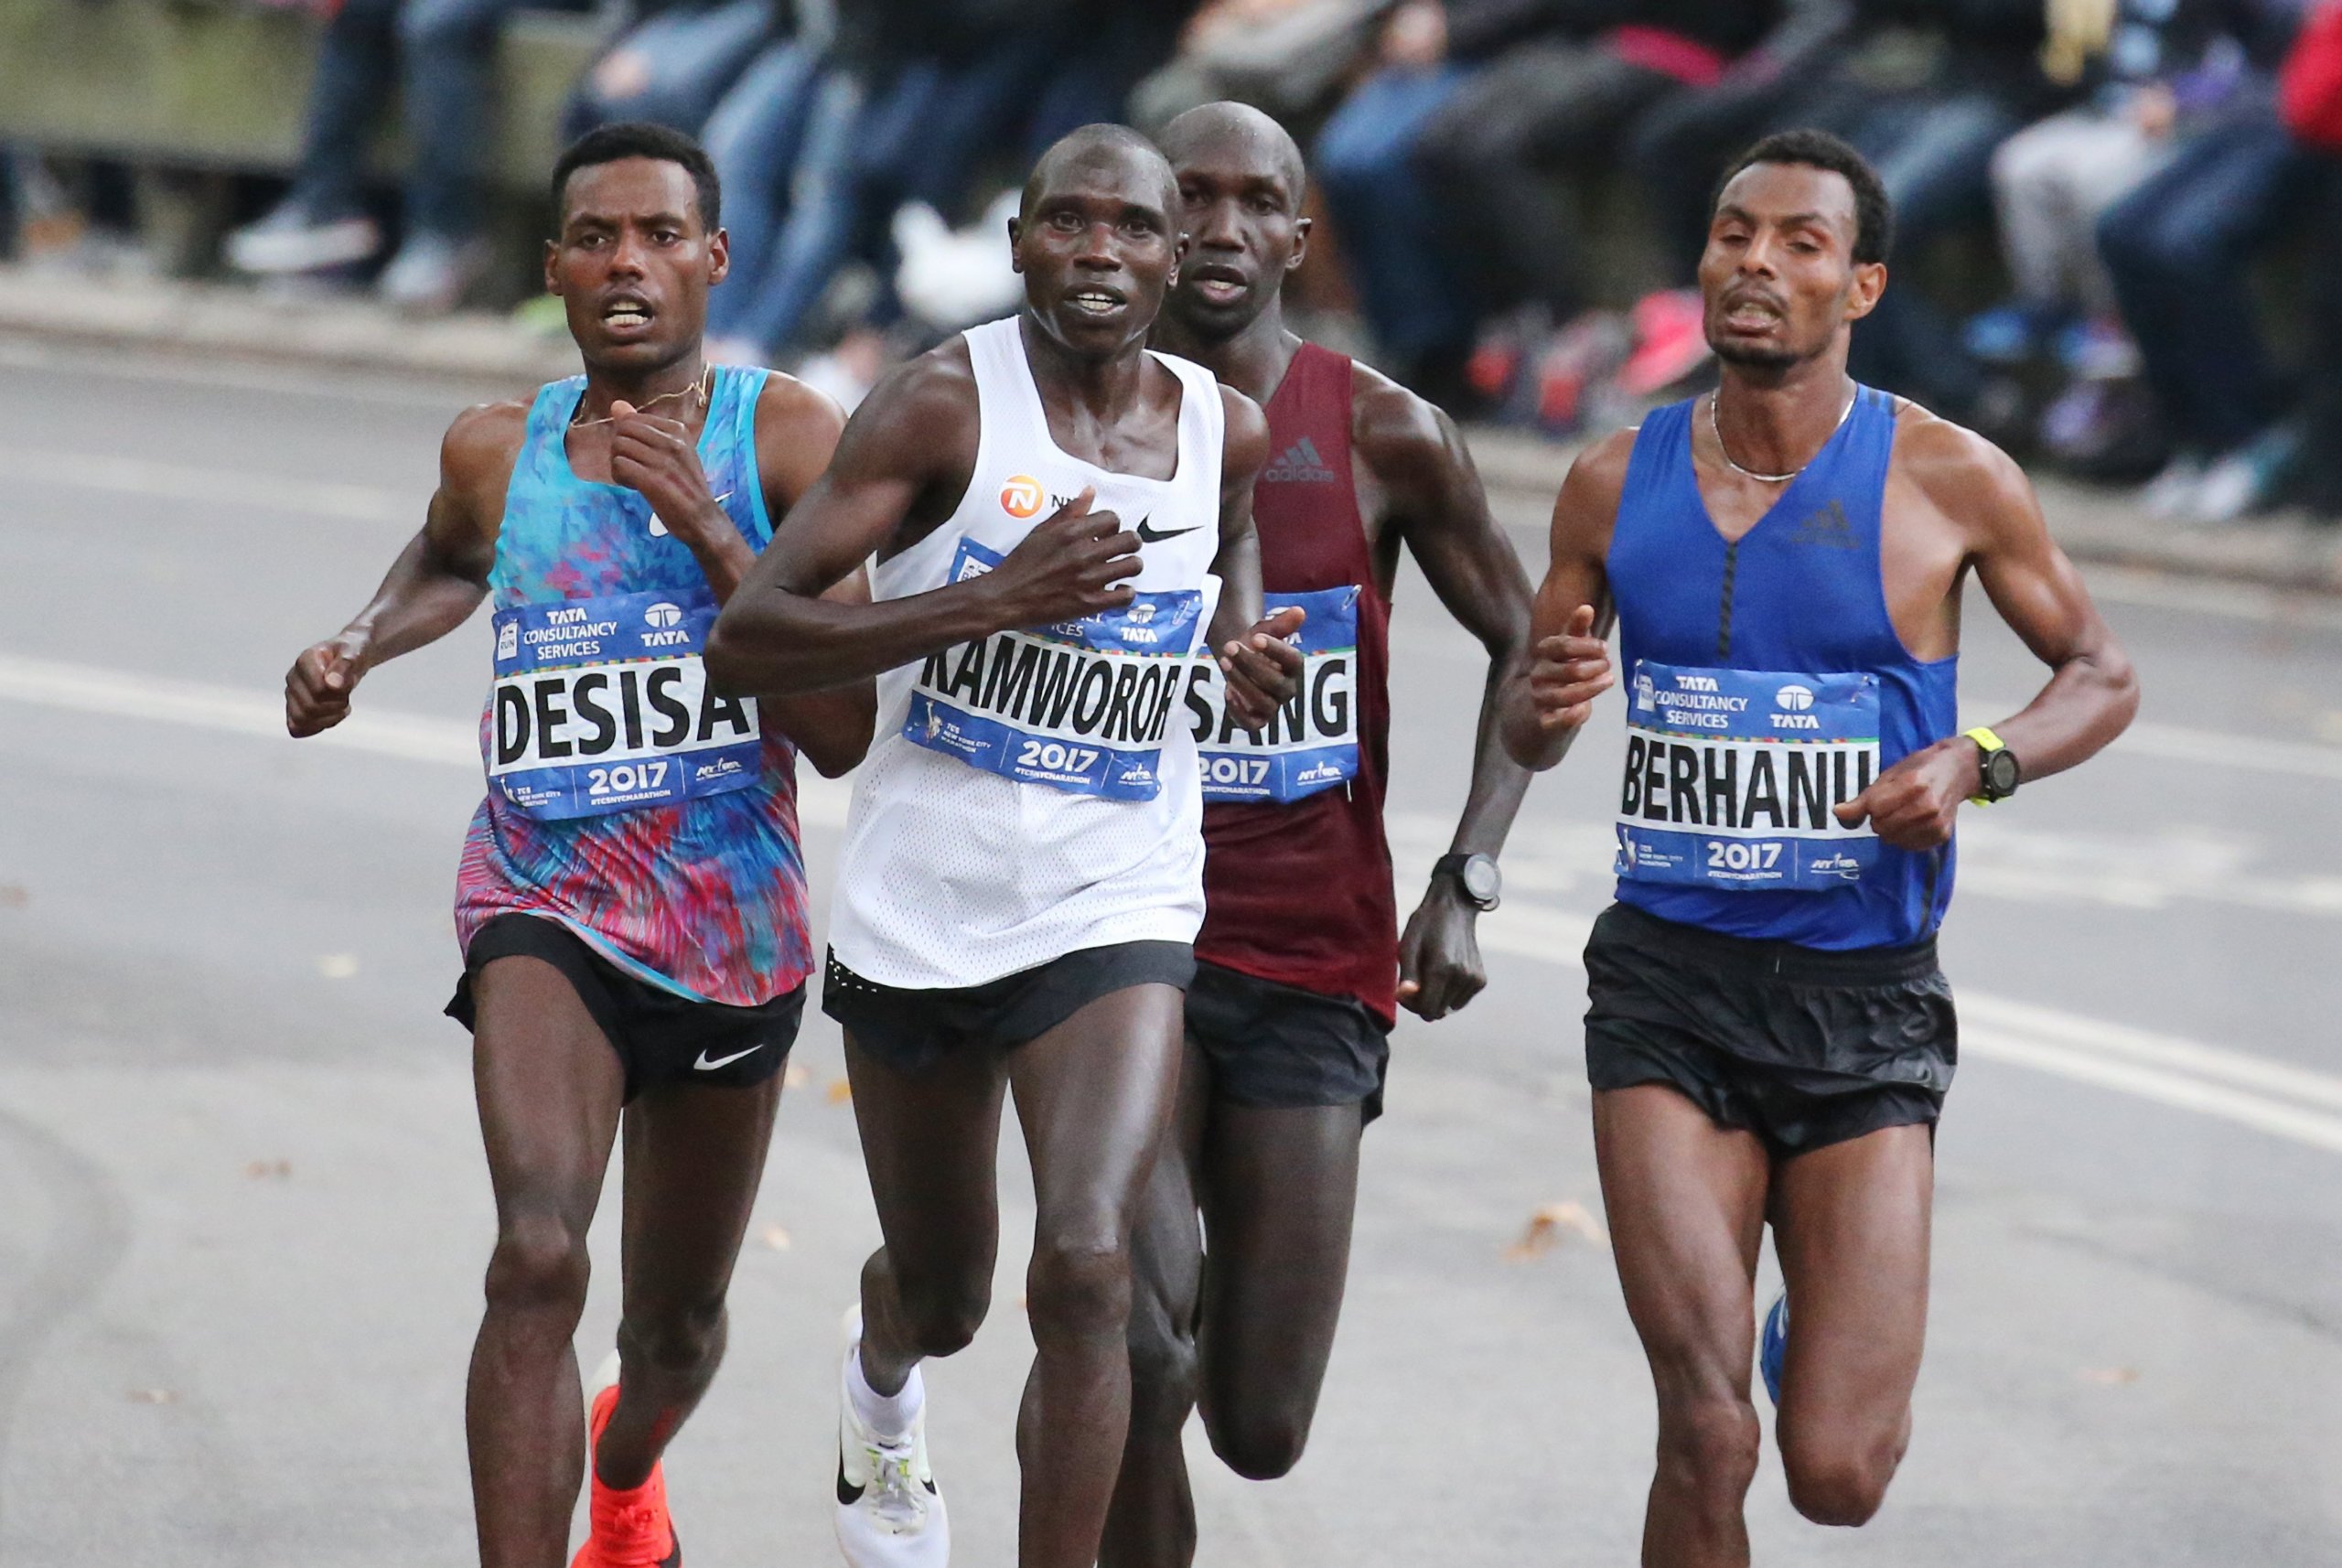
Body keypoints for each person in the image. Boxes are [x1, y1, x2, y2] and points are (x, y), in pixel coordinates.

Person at [1501, 129, 2137, 1567]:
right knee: (1706, 1425)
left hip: (1865, 999)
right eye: (1735, 233)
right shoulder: (1613, 478)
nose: (1756, 264)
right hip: (1669, 987)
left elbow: (2100, 672)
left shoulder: (1950, 476)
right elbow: (1533, 726)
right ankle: (1735, 1365)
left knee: (1836, 1473)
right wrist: (1540, 714)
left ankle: (1815, 1327)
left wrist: (1980, 761)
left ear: (1861, 286)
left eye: (1800, 243)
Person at [704, 124, 1301, 1568]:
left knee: (1090, 1261)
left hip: (1116, 889)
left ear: (1173, 259)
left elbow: (1222, 588)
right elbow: (751, 637)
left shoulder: (1227, 428)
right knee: (950, 1286)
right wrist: (983, 603)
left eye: (1134, 230)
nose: (1102, 252)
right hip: (926, 899)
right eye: (1071, 224)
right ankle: (881, 1377)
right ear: (1021, 241)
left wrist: (1235, 663)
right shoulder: (936, 407)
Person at [282, 122, 873, 1568]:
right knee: (537, 1253)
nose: (628, 263)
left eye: (661, 236)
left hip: (731, 934)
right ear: (552, 264)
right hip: (541, 896)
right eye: (596, 236)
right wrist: (356, 643)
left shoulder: (785, 435)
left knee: (670, 1329)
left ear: (714, 260)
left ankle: (628, 1471)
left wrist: (710, 526)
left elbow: (844, 719)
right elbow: (447, 553)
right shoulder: (499, 446)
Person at [1096, 102, 1536, 1566]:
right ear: (1148, 220)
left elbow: (1529, 643)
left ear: (1299, 234)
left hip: (1313, 956)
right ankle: (1098, 1322)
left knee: (1258, 1424)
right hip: (1112, 941)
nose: (1221, 230)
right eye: (1191, 198)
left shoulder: (1388, 431)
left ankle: (1123, 1305)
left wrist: (1467, 875)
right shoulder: (1066, 415)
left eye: (1255, 203)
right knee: (1143, 1355)